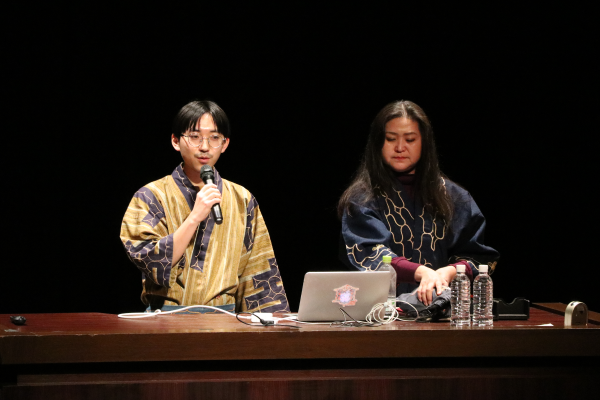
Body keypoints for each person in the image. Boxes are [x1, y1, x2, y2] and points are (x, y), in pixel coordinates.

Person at [120, 100, 289, 313]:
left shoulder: (242, 198)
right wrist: (193, 218)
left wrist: (270, 324)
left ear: (225, 144)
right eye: (194, 136)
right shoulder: (151, 196)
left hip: (224, 320)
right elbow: (148, 259)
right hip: (165, 318)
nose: (205, 146)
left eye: (214, 138)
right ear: (175, 141)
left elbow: (258, 268)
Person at [338, 100, 499, 306]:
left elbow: (480, 257)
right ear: (378, 143)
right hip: (377, 313)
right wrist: (421, 272)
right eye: (390, 139)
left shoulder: (455, 197)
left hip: (440, 310)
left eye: (410, 139)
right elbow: (372, 255)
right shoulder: (362, 199)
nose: (399, 147)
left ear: (424, 142)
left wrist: (448, 272)